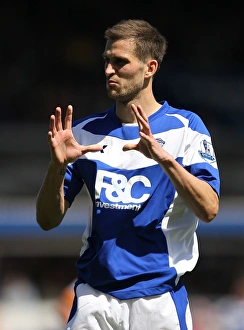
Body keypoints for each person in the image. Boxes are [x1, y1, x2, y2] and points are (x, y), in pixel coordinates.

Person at [36, 19, 220, 330]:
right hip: (94, 298)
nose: (109, 70)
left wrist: (165, 159)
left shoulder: (186, 128)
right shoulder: (83, 132)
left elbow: (209, 209)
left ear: (150, 68)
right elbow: (47, 220)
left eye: (120, 62)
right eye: (107, 61)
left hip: (159, 299)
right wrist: (56, 167)